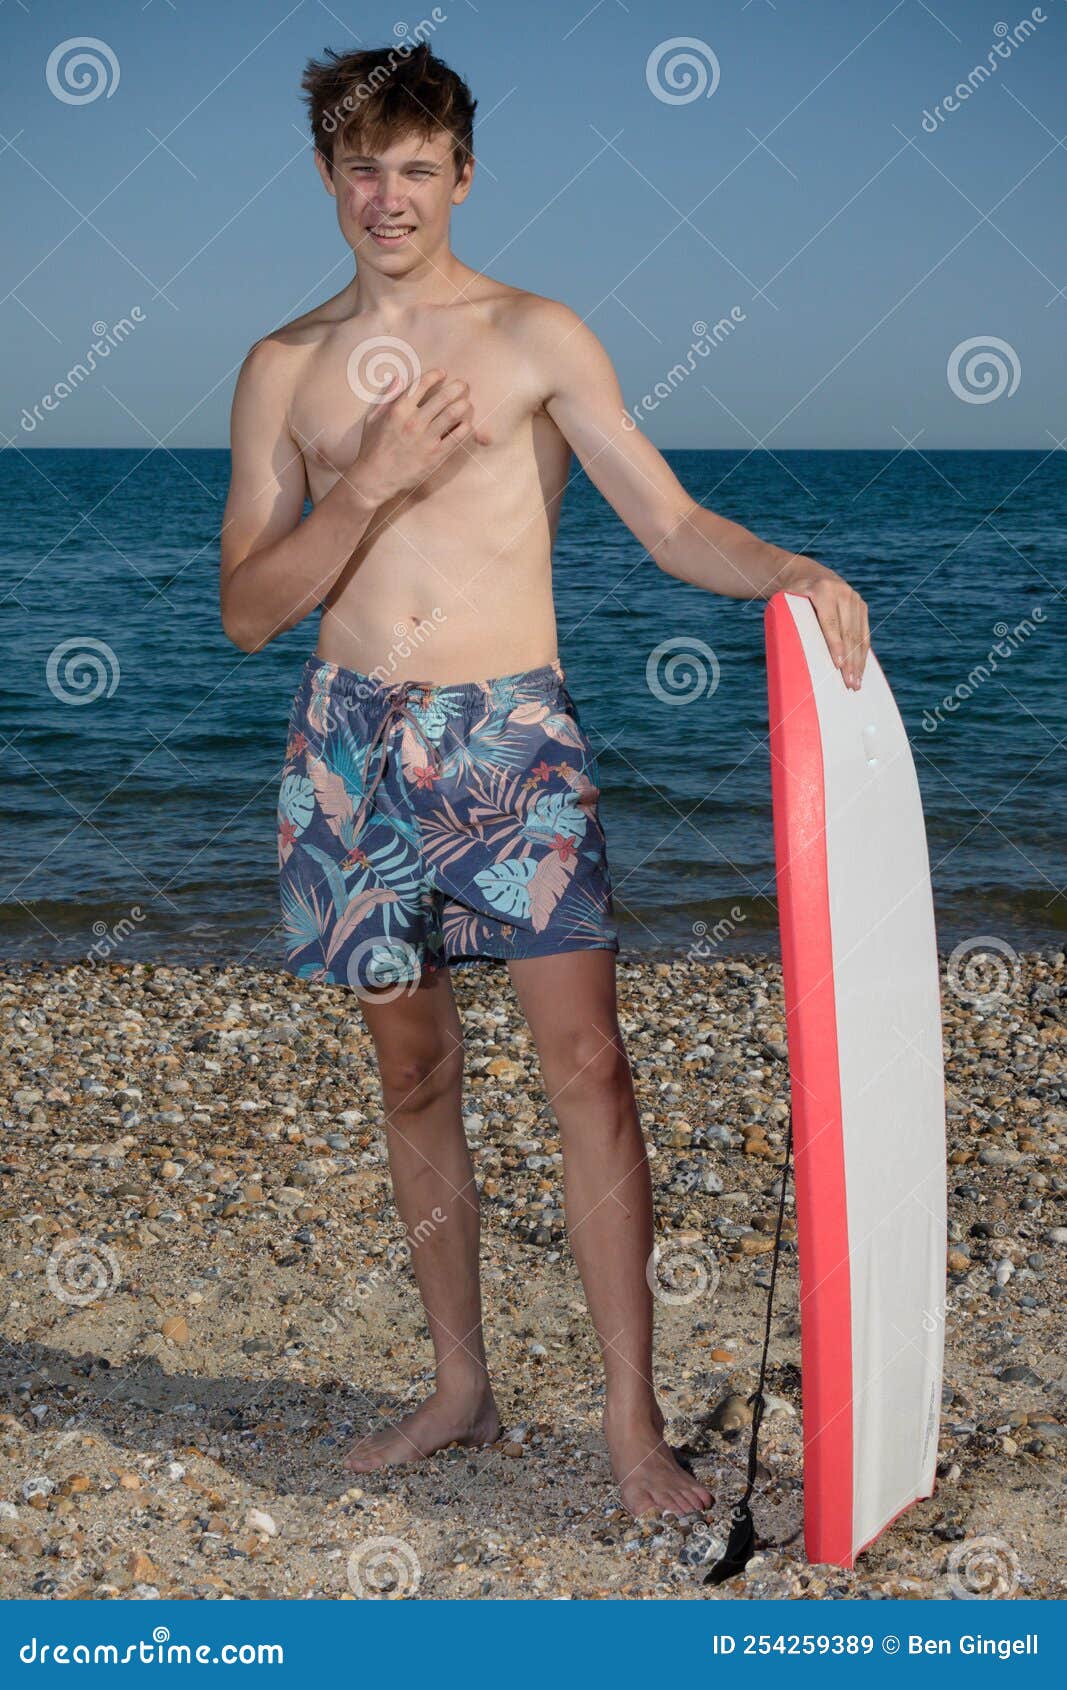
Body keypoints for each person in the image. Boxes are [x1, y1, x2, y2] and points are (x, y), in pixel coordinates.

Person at [219, 42, 869, 1519]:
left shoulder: (533, 337)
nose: (390, 196)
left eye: (418, 167)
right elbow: (251, 609)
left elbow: (667, 518)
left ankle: (632, 1427)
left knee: (588, 1069)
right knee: (414, 1069)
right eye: (362, 167)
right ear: (328, 175)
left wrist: (793, 571)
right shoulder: (283, 368)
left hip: (510, 742)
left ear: (463, 172)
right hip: (350, 744)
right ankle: (461, 1385)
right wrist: (371, 482)